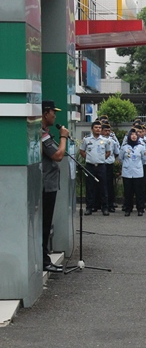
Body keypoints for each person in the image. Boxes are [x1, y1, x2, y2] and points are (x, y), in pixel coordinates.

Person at [41, 100, 69, 273]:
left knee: (46, 223)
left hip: (49, 185)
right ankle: (44, 261)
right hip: (45, 186)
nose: (55, 115)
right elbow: (58, 155)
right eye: (53, 112)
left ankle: (45, 258)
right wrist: (63, 137)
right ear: (45, 113)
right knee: (44, 225)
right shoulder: (42, 134)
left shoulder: (46, 132)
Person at [79, 120, 111, 216]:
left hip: (101, 166)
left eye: (99, 128)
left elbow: (108, 152)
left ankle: (105, 208)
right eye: (96, 127)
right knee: (90, 187)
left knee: (103, 187)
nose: (98, 129)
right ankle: (89, 207)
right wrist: (89, 159)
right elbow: (82, 151)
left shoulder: (106, 140)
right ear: (92, 129)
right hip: (90, 166)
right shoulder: (87, 140)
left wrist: (100, 159)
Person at [119, 129, 146, 216]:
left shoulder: (141, 147)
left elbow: (144, 159)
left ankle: (140, 208)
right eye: (131, 134)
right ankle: (128, 209)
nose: (134, 136)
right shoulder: (124, 147)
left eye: (135, 134)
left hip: (138, 173)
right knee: (128, 192)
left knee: (139, 192)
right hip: (127, 172)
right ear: (129, 136)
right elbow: (121, 158)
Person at [101, 122, 119, 212]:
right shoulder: (98, 140)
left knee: (110, 186)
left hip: (109, 164)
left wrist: (111, 159)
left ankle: (110, 204)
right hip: (100, 164)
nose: (107, 132)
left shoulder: (112, 141)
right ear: (101, 131)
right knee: (100, 185)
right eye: (105, 130)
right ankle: (99, 204)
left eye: (109, 131)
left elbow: (116, 153)